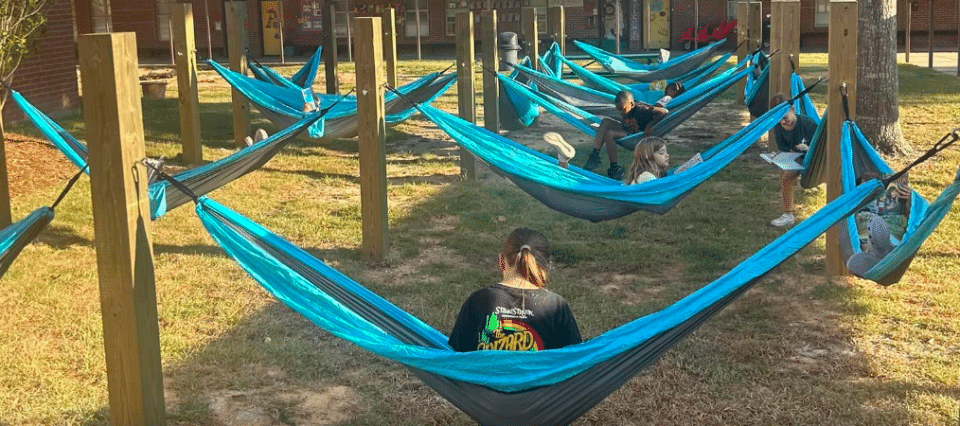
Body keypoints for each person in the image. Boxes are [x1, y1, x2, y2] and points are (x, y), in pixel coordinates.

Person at [449, 228, 582, 352]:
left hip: (488, 377)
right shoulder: (556, 307)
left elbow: (456, 359)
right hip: (538, 378)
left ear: (501, 261)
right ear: (547, 267)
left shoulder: (478, 300)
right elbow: (573, 362)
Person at [583, 90, 668, 180]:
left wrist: (650, 125)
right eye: (618, 110)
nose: (621, 113)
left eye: (623, 109)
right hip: (627, 129)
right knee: (605, 121)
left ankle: (614, 167)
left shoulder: (641, 109)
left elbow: (665, 111)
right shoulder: (626, 108)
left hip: (637, 136)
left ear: (631, 104)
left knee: (609, 134)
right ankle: (594, 156)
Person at [768, 93, 818, 227]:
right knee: (782, 172)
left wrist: (808, 148)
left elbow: (821, 147)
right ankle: (787, 209)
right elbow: (784, 149)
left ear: (793, 110)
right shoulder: (778, 128)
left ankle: (788, 214)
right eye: (779, 119)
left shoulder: (808, 124)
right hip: (794, 157)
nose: (784, 122)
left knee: (786, 178)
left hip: (811, 158)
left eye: (785, 117)